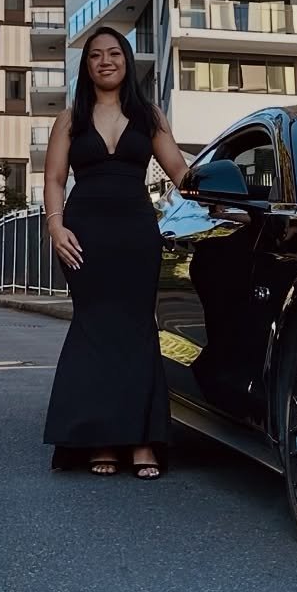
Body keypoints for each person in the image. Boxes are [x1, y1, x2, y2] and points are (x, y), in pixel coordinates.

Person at [42, 25, 189, 476]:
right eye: (95, 56)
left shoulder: (150, 115)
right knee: (95, 326)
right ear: (86, 67)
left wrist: (220, 195)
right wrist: (56, 227)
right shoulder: (70, 118)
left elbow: (180, 170)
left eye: (114, 53)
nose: (105, 61)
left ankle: (143, 440)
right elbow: (52, 180)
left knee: (136, 327)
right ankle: (100, 437)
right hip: (83, 232)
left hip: (136, 233)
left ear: (127, 60)